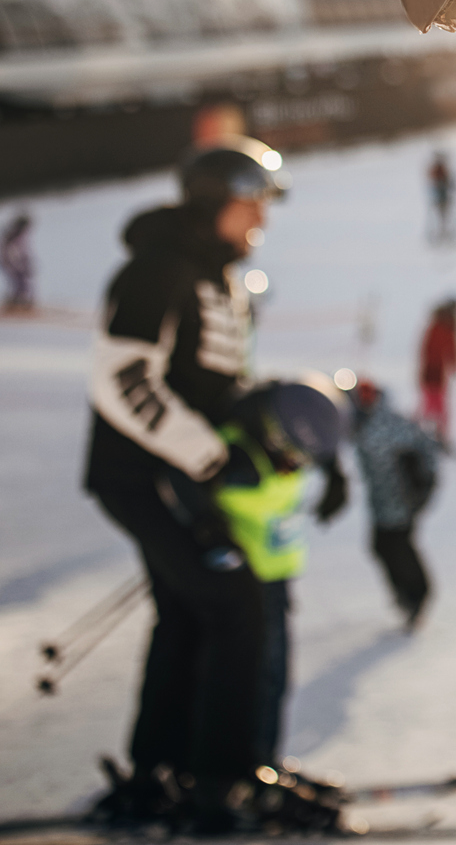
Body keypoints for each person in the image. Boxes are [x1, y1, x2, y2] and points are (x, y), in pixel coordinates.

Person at [82, 138, 346, 832]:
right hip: (145, 477)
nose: (262, 217)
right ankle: (225, 781)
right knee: (236, 610)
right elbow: (123, 378)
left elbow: (214, 386)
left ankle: (166, 769)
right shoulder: (156, 271)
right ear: (211, 203)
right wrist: (206, 458)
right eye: (250, 202)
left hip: (183, 479)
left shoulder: (218, 275)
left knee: (192, 613)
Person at [206, 377, 348, 772]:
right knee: (252, 678)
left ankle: (265, 759)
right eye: (293, 455)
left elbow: (321, 427)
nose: (296, 465)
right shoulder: (237, 455)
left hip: (277, 578)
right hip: (242, 583)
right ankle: (243, 766)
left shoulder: (289, 429)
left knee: (275, 677)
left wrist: (335, 471)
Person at [348, 377, 444, 629]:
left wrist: (423, 484)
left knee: (394, 547)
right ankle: (409, 596)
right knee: (383, 547)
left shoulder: (380, 426)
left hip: (399, 502)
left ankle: (417, 595)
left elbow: (425, 447)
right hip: (386, 501)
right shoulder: (370, 423)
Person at [416, 299, 456, 442]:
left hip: (437, 372)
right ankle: (428, 433)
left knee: (435, 404)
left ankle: (437, 434)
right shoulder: (440, 328)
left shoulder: (443, 328)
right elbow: (428, 350)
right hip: (433, 371)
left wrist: (454, 364)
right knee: (432, 405)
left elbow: (452, 349)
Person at [0, 211, 35, 312]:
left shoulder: (20, 235)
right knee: (18, 282)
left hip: (16, 261)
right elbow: (9, 251)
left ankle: (19, 303)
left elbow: (23, 250)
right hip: (10, 261)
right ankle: (14, 304)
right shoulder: (12, 235)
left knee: (22, 282)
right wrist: (15, 264)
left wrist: (26, 261)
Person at [427, 150, 455, 243]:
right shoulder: (436, 170)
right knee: (440, 216)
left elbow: (449, 182)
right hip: (438, 198)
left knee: (445, 216)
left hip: (444, 197)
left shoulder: (443, 169)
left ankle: (445, 232)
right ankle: (440, 233)